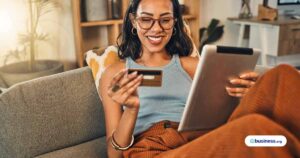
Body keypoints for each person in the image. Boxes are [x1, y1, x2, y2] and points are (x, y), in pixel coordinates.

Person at [99, 0, 300, 158]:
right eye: (146, 19)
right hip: (154, 148)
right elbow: (114, 154)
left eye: (165, 19)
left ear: (174, 22)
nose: (156, 28)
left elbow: (220, 110)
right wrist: (131, 110)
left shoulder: (194, 64)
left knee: (283, 75)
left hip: (199, 136)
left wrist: (247, 95)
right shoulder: (116, 72)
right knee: (255, 129)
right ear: (134, 21)